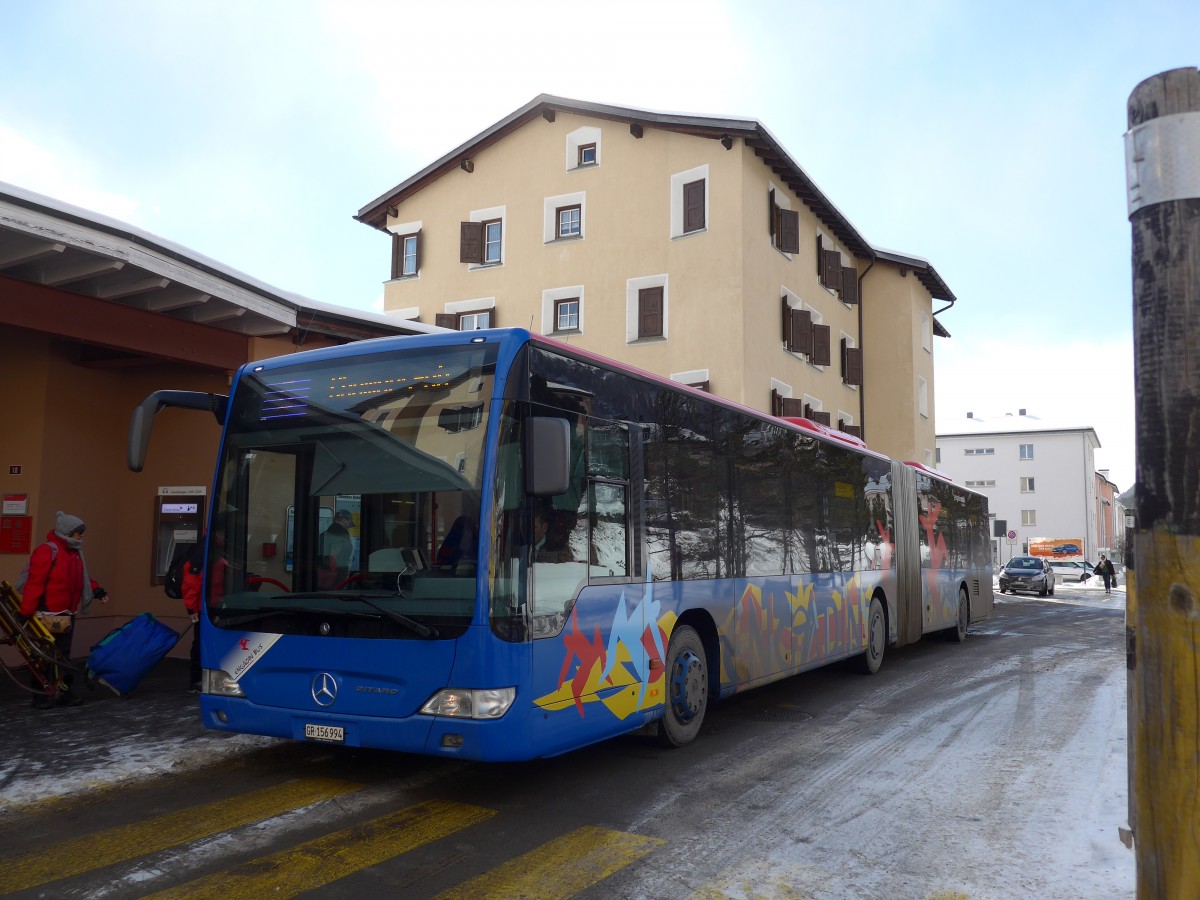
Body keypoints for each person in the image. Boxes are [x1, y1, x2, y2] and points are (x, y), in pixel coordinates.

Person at [19, 511, 109, 708]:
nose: (82, 536)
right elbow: (35, 583)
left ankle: (63, 692)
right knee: (45, 655)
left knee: (62, 655)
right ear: (68, 533)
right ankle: (41, 694)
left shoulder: (74, 553)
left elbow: (81, 579)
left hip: (66, 613)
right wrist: (26, 612)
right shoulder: (48, 551)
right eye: (79, 532)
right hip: (49, 613)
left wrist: (97, 591)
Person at [180, 541, 206, 692]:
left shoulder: (219, 549)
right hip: (204, 610)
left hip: (214, 606)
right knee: (200, 644)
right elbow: (191, 583)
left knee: (201, 643)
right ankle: (196, 680)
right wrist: (192, 609)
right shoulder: (202, 551)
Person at [318, 509, 354, 588]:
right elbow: (337, 557)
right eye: (349, 522)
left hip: (322, 572)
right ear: (344, 520)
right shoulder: (343, 534)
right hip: (335, 573)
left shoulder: (323, 534)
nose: (348, 527)